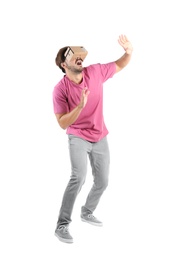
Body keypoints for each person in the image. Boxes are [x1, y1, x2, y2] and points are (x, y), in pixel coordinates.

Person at [52, 35, 133, 243]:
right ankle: (62, 225)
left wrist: (128, 52)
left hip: (99, 134)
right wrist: (79, 106)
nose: (79, 57)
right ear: (64, 64)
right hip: (77, 134)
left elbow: (118, 65)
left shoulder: (95, 72)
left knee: (103, 181)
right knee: (78, 177)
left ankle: (87, 211)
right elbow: (62, 123)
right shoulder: (60, 89)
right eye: (72, 56)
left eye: (79, 55)